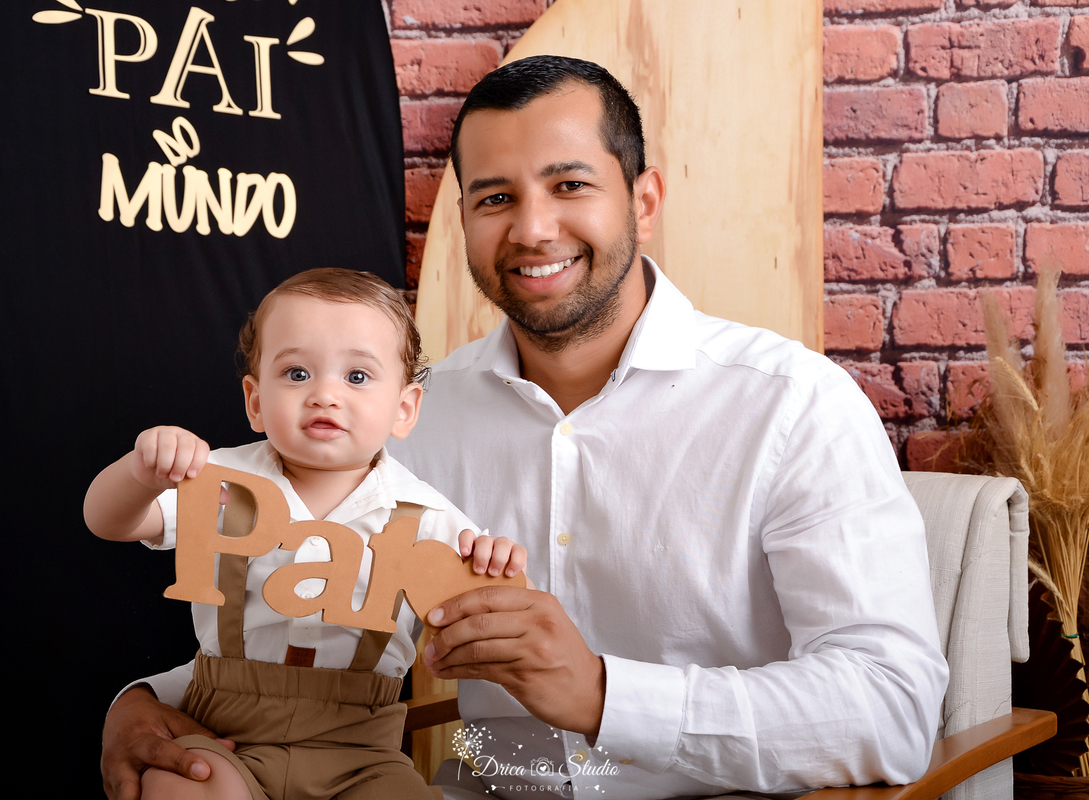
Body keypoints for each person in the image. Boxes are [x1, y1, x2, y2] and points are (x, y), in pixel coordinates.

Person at [101, 56, 948, 800]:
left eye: (570, 185)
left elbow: (892, 705)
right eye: (495, 197)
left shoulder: (794, 405)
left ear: (643, 200)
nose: (533, 229)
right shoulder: (397, 418)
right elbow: (302, 623)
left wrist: (602, 695)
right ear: (464, 222)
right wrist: (145, 702)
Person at [85, 269, 527, 800]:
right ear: (254, 400)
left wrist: (494, 564)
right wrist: (142, 473)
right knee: (178, 786)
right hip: (228, 735)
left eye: (357, 377)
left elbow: (483, 619)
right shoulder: (220, 480)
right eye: (296, 373)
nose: (324, 395)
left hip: (362, 750)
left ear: (404, 410)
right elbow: (109, 522)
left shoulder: (426, 515)